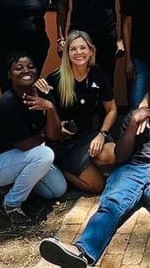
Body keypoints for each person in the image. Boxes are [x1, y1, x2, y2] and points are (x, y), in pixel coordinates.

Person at [38, 73, 150, 268]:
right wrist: (134, 123)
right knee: (110, 205)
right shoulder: (135, 116)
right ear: (148, 89)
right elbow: (120, 155)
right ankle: (82, 251)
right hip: (132, 170)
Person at [0, 53, 67, 224]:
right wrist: (46, 134)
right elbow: (26, 145)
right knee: (44, 155)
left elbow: (55, 134)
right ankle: (11, 203)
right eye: (19, 68)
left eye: (30, 67)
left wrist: (50, 108)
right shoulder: (7, 103)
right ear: (9, 74)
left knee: (57, 190)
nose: (26, 71)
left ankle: (19, 183)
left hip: (20, 159)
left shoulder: (42, 93)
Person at [35, 30, 117, 193]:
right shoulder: (56, 78)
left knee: (112, 155)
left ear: (91, 51)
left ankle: (86, 165)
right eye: (73, 49)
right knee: (98, 186)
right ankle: (63, 169)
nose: (79, 52)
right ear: (67, 53)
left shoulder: (99, 76)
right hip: (66, 141)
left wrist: (102, 134)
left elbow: (112, 109)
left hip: (91, 135)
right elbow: (44, 114)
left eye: (83, 48)